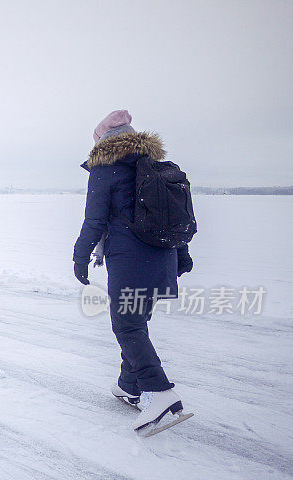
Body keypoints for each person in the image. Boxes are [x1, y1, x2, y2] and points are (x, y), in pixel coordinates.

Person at [73, 109, 193, 434]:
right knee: (136, 323)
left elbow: (94, 220)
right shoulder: (154, 165)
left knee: (126, 326)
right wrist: (182, 255)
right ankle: (130, 386)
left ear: (102, 140)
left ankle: (159, 392)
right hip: (164, 260)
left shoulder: (104, 168)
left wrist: (80, 257)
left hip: (130, 262)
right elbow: (173, 214)